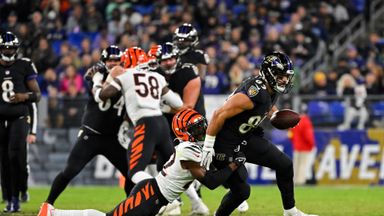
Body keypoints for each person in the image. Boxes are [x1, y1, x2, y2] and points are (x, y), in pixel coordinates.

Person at [38, 109, 247, 216]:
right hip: (150, 195)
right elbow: (210, 182)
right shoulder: (187, 149)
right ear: (185, 133)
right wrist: (232, 165)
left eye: (202, 125)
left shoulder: (193, 146)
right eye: (197, 128)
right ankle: (54, 213)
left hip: (156, 198)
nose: (203, 130)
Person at [200, 52, 318, 216]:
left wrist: (276, 115)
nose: (285, 80)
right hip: (225, 143)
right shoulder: (253, 93)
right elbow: (219, 114)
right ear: (269, 73)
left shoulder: (270, 89)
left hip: (245, 137)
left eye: (286, 76)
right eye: (281, 76)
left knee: (285, 165)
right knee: (241, 191)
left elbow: (266, 106)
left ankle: (291, 212)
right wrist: (208, 145)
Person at [38, 45, 135, 212]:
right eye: (110, 60)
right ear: (104, 62)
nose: (113, 63)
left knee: (131, 173)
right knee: (70, 170)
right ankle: (47, 204)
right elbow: (91, 79)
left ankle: (131, 207)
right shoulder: (99, 75)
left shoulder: (126, 77)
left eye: (116, 60)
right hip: (91, 134)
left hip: (112, 137)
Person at [95, 47, 183, 187]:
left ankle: (157, 191)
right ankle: (197, 202)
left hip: (146, 124)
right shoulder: (157, 77)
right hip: (162, 123)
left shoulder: (124, 76)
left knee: (135, 172)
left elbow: (101, 96)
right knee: (172, 167)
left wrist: (96, 80)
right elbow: (178, 103)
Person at [155, 42, 209, 215]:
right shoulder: (155, 74)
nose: (169, 62)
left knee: (193, 166)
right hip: (166, 123)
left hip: (191, 125)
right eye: (164, 60)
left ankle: (238, 197)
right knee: (165, 164)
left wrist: (164, 108)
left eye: (171, 58)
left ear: (177, 58)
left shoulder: (188, 73)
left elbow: (188, 107)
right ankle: (190, 204)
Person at [0, 31, 41, 212]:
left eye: (11, 49)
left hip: (19, 116)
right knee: (4, 160)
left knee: (15, 156)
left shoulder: (24, 65)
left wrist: (23, 96)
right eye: (5, 48)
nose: (8, 52)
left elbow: (37, 95)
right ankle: (10, 199)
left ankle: (18, 193)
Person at [288, 108, 316, 185]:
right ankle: (300, 181)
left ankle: (294, 180)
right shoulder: (306, 121)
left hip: (296, 147)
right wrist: (311, 145)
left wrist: (294, 142)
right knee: (303, 165)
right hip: (305, 148)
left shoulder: (295, 120)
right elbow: (308, 136)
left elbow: (290, 135)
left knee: (296, 165)